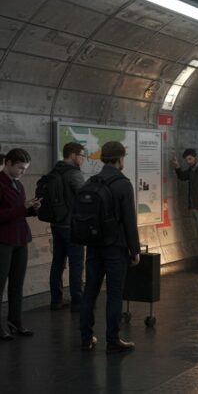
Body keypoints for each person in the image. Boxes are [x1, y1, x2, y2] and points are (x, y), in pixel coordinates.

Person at [80, 141, 140, 353]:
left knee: (90, 292)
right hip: (116, 247)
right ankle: (113, 340)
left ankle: (86, 338)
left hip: (94, 246)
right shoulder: (123, 184)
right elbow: (129, 221)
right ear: (119, 159)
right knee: (114, 294)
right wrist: (135, 251)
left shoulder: (92, 181)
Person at [0, 148, 39, 339]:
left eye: (25, 169)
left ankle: (15, 322)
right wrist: (21, 207)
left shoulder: (18, 185)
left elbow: (17, 212)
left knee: (17, 284)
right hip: (3, 240)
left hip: (20, 239)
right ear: (8, 163)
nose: (22, 172)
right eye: (20, 168)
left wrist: (31, 209)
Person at [48, 142, 86, 311]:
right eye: (81, 155)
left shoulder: (54, 171)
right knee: (76, 263)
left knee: (57, 262)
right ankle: (77, 301)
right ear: (72, 155)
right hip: (72, 226)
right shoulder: (74, 174)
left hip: (56, 224)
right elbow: (85, 197)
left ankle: (56, 300)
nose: (83, 158)